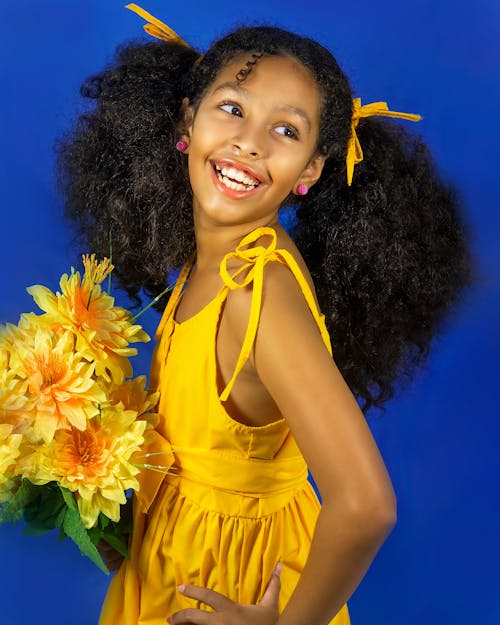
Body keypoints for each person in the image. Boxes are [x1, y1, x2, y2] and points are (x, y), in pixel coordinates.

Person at [56, 5, 472, 624]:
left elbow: (366, 504)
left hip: (235, 586)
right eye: (232, 108)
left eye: (286, 131)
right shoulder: (210, 266)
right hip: (173, 566)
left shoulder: (259, 295)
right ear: (187, 121)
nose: (249, 142)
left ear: (310, 170)